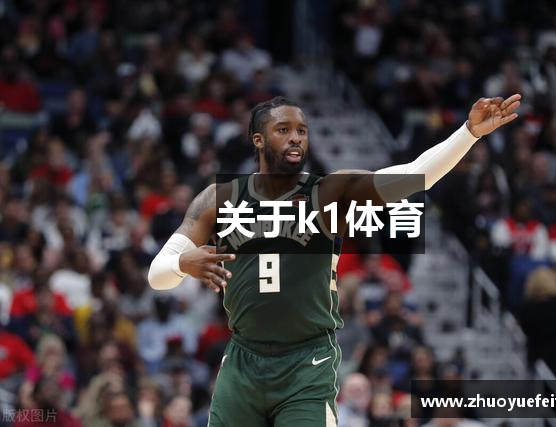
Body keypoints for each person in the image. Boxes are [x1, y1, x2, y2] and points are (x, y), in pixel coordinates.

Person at [147, 94, 521, 426]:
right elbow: (157, 275)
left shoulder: (329, 192)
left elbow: (414, 176)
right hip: (244, 358)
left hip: (306, 361)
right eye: (283, 130)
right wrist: (181, 264)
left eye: (302, 130)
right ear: (258, 140)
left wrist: (468, 134)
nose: (296, 137)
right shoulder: (220, 198)